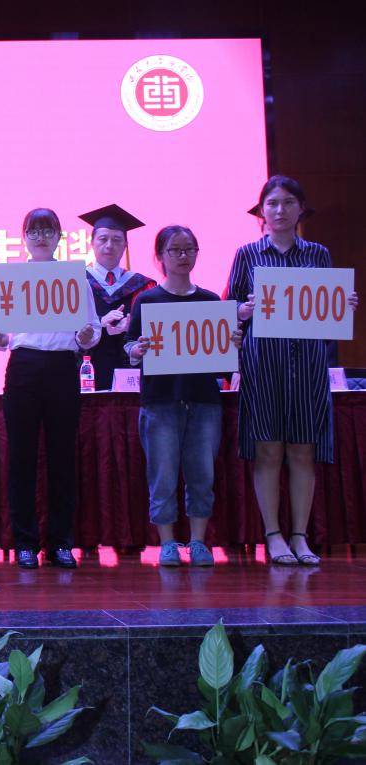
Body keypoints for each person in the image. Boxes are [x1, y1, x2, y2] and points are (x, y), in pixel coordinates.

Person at [227, 175, 358, 567]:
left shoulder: (318, 254)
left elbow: (325, 313)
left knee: (303, 449)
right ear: (261, 211)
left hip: (308, 365)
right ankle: (273, 535)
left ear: (301, 208)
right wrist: (243, 310)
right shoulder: (247, 254)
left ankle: (299, 535)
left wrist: (342, 306)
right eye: (272, 203)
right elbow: (228, 310)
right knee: (268, 449)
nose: (279, 210)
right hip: (263, 364)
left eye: (287, 202)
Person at [0, 208, 101, 570]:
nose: (40, 237)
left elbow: (92, 330)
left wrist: (86, 336)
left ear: (59, 237)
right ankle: (25, 543)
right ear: (24, 237)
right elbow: (1, 335)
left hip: (62, 368)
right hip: (23, 367)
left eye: (47, 231)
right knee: (21, 458)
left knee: (62, 458)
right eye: (33, 231)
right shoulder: (13, 279)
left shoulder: (74, 278)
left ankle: (60, 543)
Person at [126, 226, 241, 568]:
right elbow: (130, 346)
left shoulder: (210, 301)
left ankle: (198, 542)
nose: (182, 256)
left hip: (203, 400)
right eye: (174, 250)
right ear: (159, 257)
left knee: (202, 475)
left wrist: (232, 344)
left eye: (189, 249)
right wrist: (137, 349)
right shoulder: (147, 300)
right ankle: (167, 543)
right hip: (160, 400)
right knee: (162, 476)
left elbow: (223, 361)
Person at [78, 204, 156, 391]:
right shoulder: (76, 281)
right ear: (91, 242)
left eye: (116, 240)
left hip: (130, 374)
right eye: (103, 239)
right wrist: (99, 323)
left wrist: (133, 327)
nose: (109, 245)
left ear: (125, 246)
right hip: (86, 373)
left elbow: (153, 337)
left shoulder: (143, 286)